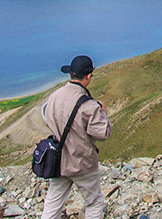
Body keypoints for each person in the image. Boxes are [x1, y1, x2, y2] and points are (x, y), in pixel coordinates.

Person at [41, 55, 113, 219]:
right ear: (88, 76)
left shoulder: (54, 97)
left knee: (53, 203)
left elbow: (47, 118)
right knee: (93, 202)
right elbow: (103, 133)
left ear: (70, 74)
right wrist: (103, 112)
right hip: (83, 163)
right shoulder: (89, 106)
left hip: (58, 161)